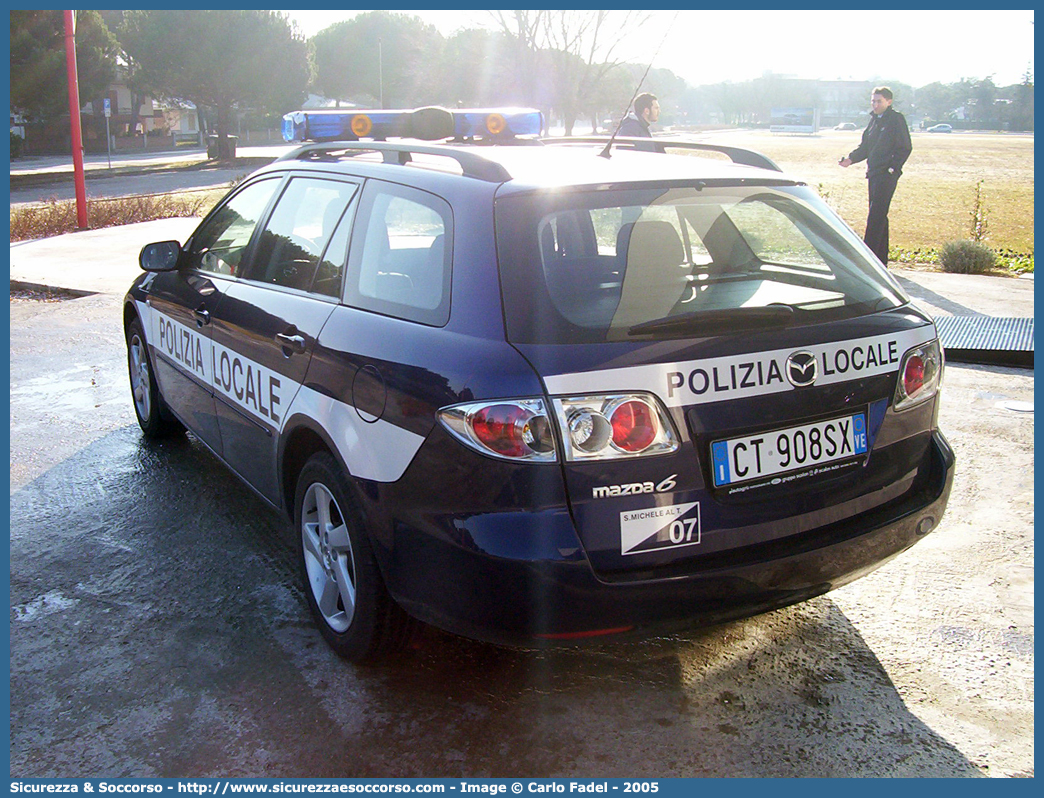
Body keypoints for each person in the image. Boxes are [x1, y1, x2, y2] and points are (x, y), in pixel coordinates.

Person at [839, 86, 912, 267]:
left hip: (886, 175)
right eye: (873, 101)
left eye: (879, 101)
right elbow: (865, 147)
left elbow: (905, 147)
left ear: (889, 102)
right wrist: (850, 159)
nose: (875, 104)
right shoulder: (874, 121)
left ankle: (867, 263)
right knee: (880, 217)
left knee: (875, 216)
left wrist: (893, 169)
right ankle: (881, 262)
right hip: (873, 174)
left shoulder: (896, 120)